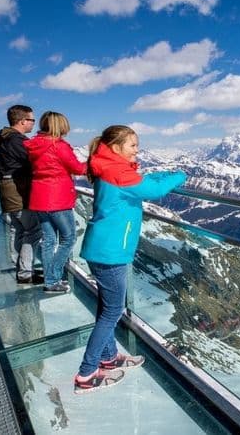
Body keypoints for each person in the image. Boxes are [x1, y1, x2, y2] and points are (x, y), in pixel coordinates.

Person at [74, 125, 186, 394]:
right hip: (110, 251)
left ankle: (108, 358)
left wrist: (160, 174)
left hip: (103, 248)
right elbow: (154, 190)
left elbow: (142, 181)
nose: (137, 149)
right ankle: (86, 374)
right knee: (113, 311)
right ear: (116, 147)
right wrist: (180, 175)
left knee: (107, 308)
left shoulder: (111, 167)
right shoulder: (118, 172)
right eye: (133, 145)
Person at [25, 111, 87, 293]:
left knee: (49, 240)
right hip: (58, 199)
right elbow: (78, 168)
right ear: (60, 126)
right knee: (68, 239)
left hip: (39, 198)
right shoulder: (58, 146)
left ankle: (50, 281)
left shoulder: (34, 145)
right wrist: (96, 162)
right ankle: (52, 279)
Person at [0, 104, 42, 284]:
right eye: (32, 120)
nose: (33, 123)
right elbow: (33, 162)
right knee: (33, 230)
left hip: (8, 190)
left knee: (18, 228)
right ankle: (25, 272)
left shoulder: (4, 137)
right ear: (22, 121)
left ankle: (20, 267)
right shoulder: (16, 141)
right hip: (18, 191)